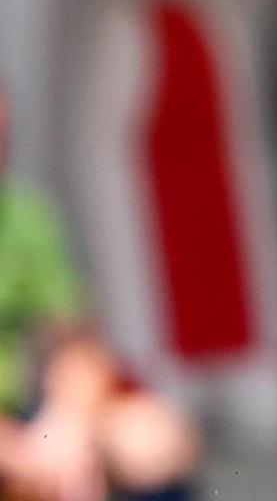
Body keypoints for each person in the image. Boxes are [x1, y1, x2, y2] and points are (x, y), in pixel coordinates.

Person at [0, 84, 197, 501]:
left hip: (23, 415)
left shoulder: (26, 217)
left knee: (155, 440)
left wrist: (67, 426)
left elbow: (77, 345)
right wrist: (16, 452)